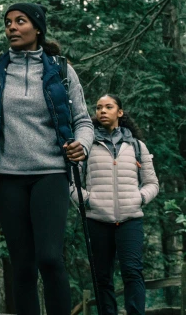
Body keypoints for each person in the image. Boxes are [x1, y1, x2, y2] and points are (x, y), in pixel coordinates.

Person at [0, 2, 93, 315]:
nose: (11, 27)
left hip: (50, 173)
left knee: (49, 258)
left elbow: (83, 121)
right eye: (7, 22)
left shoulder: (61, 70)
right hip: (8, 177)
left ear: (37, 28)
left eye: (19, 21)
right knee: (22, 265)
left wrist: (82, 146)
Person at [71, 94, 159, 315]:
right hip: (97, 221)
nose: (102, 111)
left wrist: (139, 198)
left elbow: (152, 183)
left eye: (108, 107)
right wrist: (88, 201)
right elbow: (71, 184)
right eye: (99, 107)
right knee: (102, 277)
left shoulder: (137, 146)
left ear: (120, 112)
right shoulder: (85, 146)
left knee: (132, 272)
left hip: (130, 220)